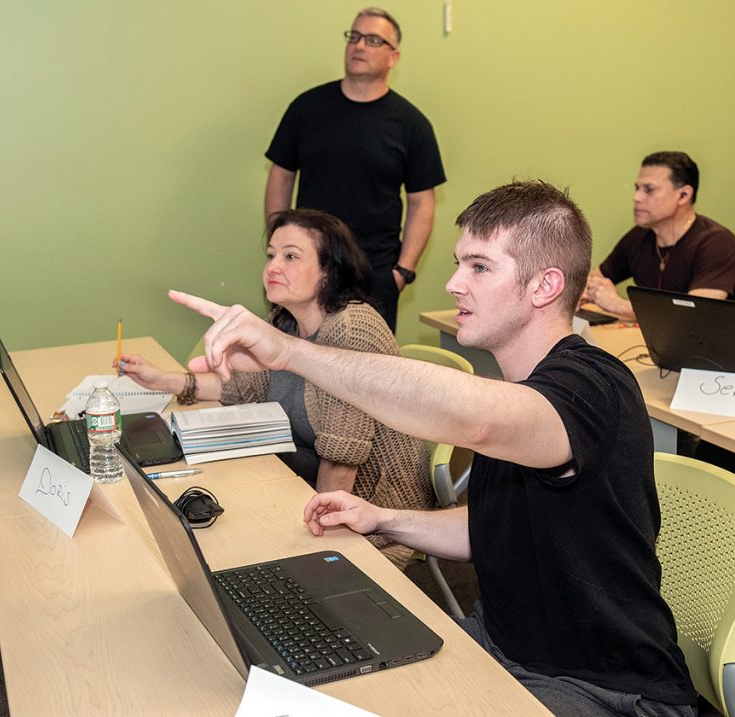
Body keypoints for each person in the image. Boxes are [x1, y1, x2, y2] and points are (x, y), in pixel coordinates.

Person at [169, 181, 698, 717]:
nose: (452, 283)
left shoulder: (593, 386)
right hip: (500, 647)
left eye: (479, 267)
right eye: (458, 264)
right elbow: (494, 527)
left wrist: (288, 351)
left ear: (545, 286)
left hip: (604, 688)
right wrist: (382, 518)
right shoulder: (521, 389)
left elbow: (471, 416)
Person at [121, 209, 433, 568]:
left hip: (370, 509)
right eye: (271, 255)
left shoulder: (351, 328)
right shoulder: (284, 322)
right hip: (302, 475)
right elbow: (240, 389)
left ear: (329, 270)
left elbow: (341, 462)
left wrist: (314, 547)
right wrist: (163, 379)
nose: (273, 266)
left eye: (291, 256)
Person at [263, 7, 446, 332]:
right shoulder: (306, 108)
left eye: (374, 40)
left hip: (373, 274)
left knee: (364, 376)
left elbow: (422, 203)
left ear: (393, 57)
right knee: (293, 367)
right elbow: (281, 175)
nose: (360, 46)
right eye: (355, 36)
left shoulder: (411, 124)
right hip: (305, 268)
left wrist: (402, 272)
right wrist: (281, 249)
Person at [584, 151, 735, 319]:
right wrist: (585, 291)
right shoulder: (639, 237)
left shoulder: (717, 243)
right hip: (658, 342)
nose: (636, 197)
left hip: (712, 343)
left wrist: (619, 305)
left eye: (649, 190)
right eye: (637, 188)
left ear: (683, 195)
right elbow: (592, 279)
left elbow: (693, 316)